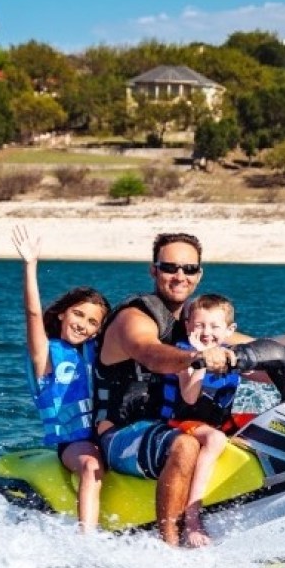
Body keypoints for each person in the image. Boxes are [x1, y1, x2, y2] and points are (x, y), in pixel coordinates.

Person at [93, 233, 238, 548]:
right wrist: (196, 358)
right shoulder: (134, 317)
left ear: (199, 274)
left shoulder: (195, 324)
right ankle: (170, 549)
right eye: (170, 267)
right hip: (118, 433)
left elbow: (247, 346)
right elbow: (149, 352)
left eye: (188, 268)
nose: (180, 276)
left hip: (163, 427)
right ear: (154, 270)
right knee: (185, 446)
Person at [12, 224, 110, 533]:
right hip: (73, 441)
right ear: (62, 314)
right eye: (78, 315)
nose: (83, 325)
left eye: (92, 322)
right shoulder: (46, 354)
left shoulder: (96, 350)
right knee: (91, 466)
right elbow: (32, 315)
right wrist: (30, 266)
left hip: (107, 432)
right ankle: (86, 540)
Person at [168, 293, 244, 547]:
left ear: (229, 330)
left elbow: (266, 375)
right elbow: (189, 398)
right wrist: (199, 360)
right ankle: (192, 518)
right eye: (199, 325)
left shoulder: (233, 355)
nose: (206, 332)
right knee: (215, 439)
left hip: (221, 422)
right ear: (188, 325)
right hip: (185, 423)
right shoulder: (184, 355)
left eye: (214, 326)